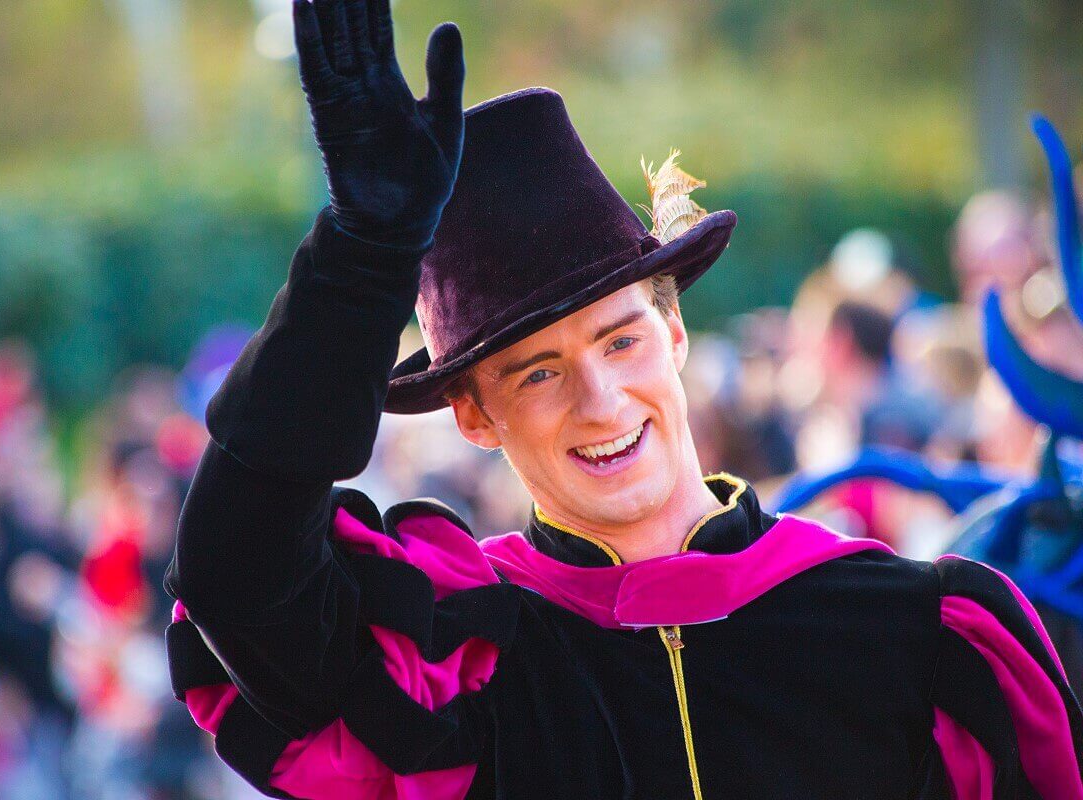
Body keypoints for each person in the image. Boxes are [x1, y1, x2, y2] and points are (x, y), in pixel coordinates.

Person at [164, 1, 1083, 797]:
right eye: (537, 371)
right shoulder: (458, 660)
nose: (601, 400)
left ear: (674, 334)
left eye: (621, 339)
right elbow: (237, 575)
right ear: (473, 415)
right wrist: (363, 257)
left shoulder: (912, 632)